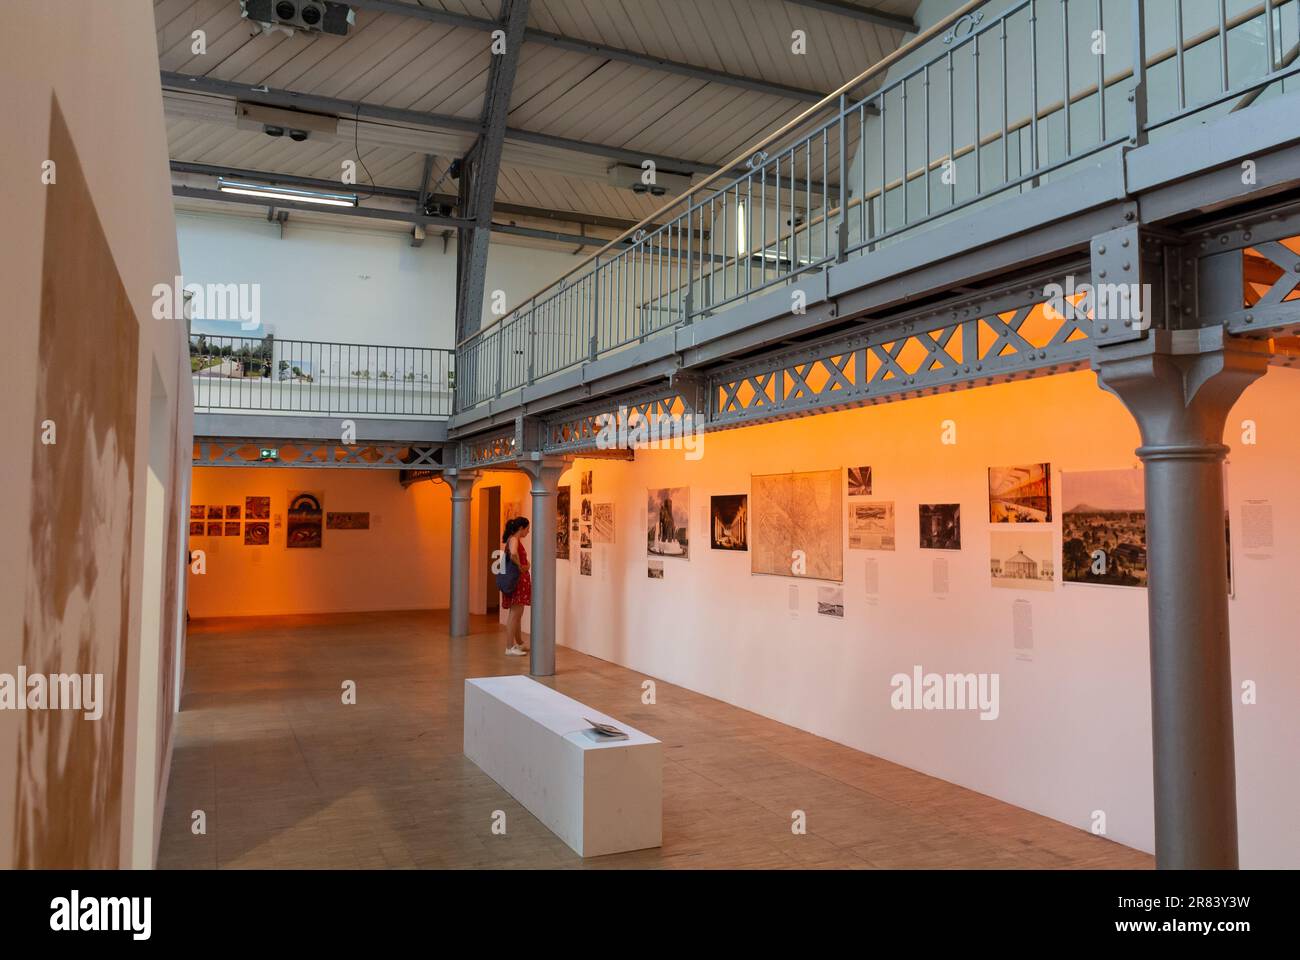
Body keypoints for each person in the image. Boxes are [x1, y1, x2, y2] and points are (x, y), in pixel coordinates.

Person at [500, 517, 532, 656]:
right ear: (521, 528)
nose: (528, 531)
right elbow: (513, 554)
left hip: (519, 580)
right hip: (517, 580)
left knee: (518, 614)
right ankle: (509, 647)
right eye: (527, 528)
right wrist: (521, 567)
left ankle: (518, 643)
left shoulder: (513, 539)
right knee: (515, 615)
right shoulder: (514, 540)